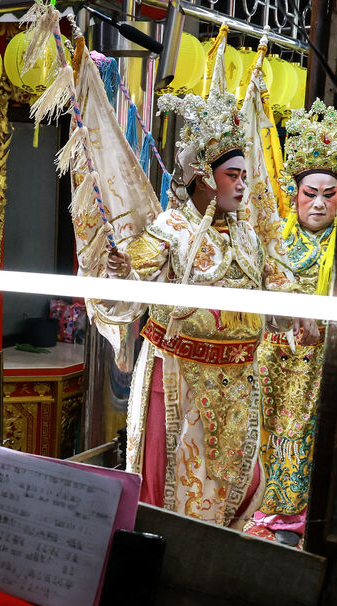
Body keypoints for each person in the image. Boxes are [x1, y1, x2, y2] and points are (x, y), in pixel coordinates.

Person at [104, 89, 297, 527]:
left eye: (244, 175)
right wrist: (123, 270)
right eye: (233, 175)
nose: (243, 185)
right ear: (204, 176)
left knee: (234, 482)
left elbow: (277, 299)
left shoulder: (249, 236)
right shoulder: (172, 227)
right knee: (169, 479)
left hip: (238, 379)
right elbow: (137, 277)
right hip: (179, 375)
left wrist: (294, 311)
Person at [241, 99, 337, 546]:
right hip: (272, 355)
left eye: (329, 194)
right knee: (264, 431)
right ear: (295, 194)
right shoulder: (273, 241)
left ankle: (300, 517)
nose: (319, 203)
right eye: (310, 193)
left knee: (307, 435)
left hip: (322, 361)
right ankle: (258, 509)